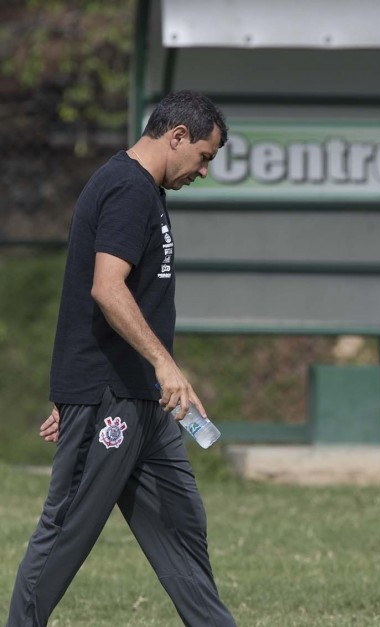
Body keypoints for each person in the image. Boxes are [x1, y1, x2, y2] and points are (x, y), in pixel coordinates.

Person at [6, 90, 237, 627]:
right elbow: (107, 290)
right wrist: (154, 368)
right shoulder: (127, 189)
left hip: (143, 402)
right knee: (65, 533)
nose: (203, 171)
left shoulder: (147, 192)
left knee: (182, 524)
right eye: (204, 156)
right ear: (177, 137)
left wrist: (158, 375)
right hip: (109, 396)